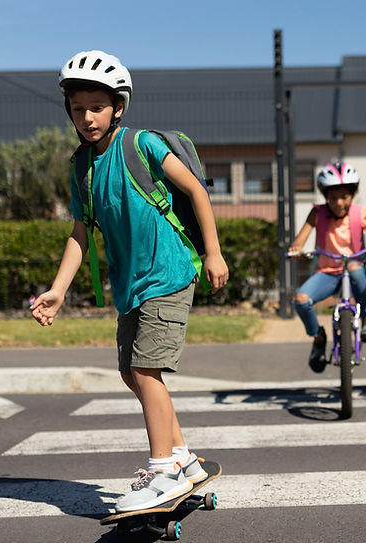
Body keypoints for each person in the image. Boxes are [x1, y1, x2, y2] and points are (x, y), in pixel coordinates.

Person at [31, 50, 229, 511]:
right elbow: (81, 232)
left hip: (171, 271)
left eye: (96, 107)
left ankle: (164, 471)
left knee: (145, 369)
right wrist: (58, 290)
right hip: (131, 284)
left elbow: (195, 189)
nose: (86, 117)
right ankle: (184, 459)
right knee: (130, 372)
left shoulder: (141, 146)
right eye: (77, 108)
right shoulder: (81, 167)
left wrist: (214, 253)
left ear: (117, 107)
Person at [288, 162, 366, 372]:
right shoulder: (317, 214)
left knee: (356, 268)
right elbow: (299, 241)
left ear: (353, 195)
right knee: (301, 300)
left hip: (354, 270)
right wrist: (296, 248)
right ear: (325, 197)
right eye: (332, 198)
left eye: (344, 197)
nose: (338, 203)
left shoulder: (362, 214)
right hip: (327, 273)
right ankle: (319, 337)